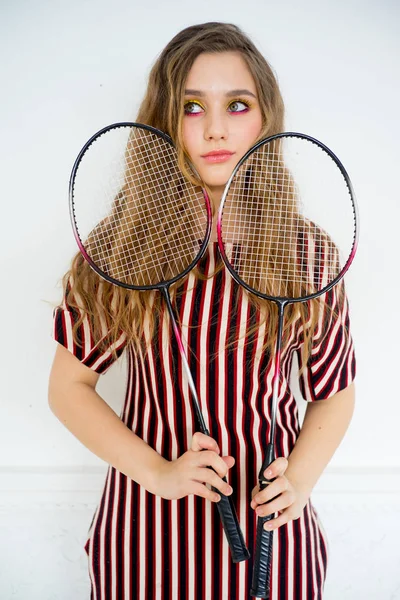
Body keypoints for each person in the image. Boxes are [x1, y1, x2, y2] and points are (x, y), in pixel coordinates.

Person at [48, 22, 356, 600]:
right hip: (144, 545)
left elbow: (333, 391)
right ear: (165, 121)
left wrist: (300, 478)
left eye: (237, 105)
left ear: (265, 117)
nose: (215, 128)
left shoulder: (308, 253)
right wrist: (162, 475)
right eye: (192, 107)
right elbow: (69, 387)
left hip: (275, 549)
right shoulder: (123, 247)